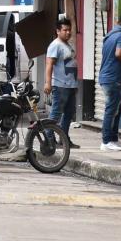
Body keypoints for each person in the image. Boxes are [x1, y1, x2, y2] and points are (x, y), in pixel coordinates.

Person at [99, 12, 121, 152]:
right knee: (112, 109)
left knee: (118, 108)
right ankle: (106, 141)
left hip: (107, 77)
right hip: (112, 78)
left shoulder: (110, 35)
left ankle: (113, 138)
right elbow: (119, 54)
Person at [44, 17, 80, 149]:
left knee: (69, 114)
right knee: (55, 114)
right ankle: (49, 139)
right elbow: (49, 64)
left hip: (70, 85)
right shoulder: (55, 45)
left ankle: (64, 139)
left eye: (69, 30)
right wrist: (48, 83)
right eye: (65, 30)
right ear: (58, 31)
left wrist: (75, 85)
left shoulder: (67, 45)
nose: (68, 32)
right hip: (60, 85)